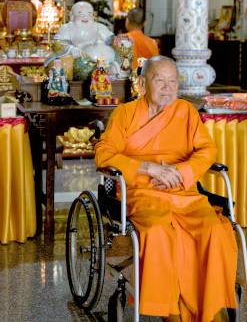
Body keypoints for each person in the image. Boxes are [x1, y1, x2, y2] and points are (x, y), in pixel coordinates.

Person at [95, 56, 238, 322]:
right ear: (142, 83)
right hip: (142, 192)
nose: (167, 87)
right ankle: (170, 309)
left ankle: (209, 306)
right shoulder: (125, 113)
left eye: (173, 81)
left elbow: (207, 151)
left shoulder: (186, 112)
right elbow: (103, 154)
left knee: (214, 230)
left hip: (183, 192)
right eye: (159, 80)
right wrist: (149, 169)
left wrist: (182, 173)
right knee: (159, 231)